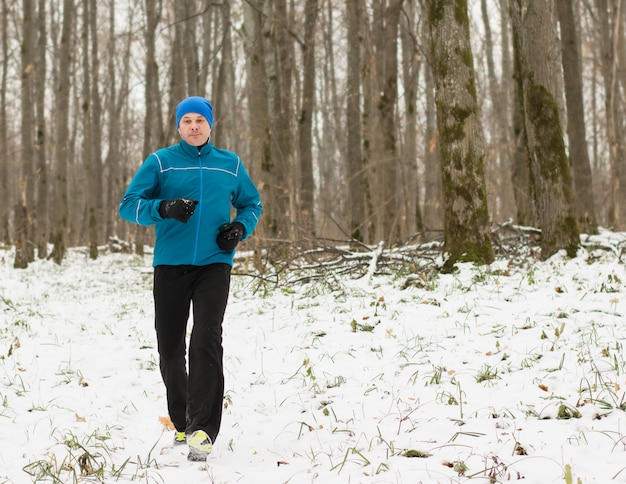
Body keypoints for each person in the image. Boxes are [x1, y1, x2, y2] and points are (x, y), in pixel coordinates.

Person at [119, 96, 262, 461]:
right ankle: (182, 421)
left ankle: (202, 430)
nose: (194, 126)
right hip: (170, 265)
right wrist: (163, 208)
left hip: (214, 264)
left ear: (210, 125)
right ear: (179, 126)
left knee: (205, 338)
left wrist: (239, 228)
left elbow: (252, 203)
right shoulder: (161, 163)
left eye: (200, 120)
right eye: (187, 121)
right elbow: (128, 204)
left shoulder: (229, 165)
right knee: (170, 348)